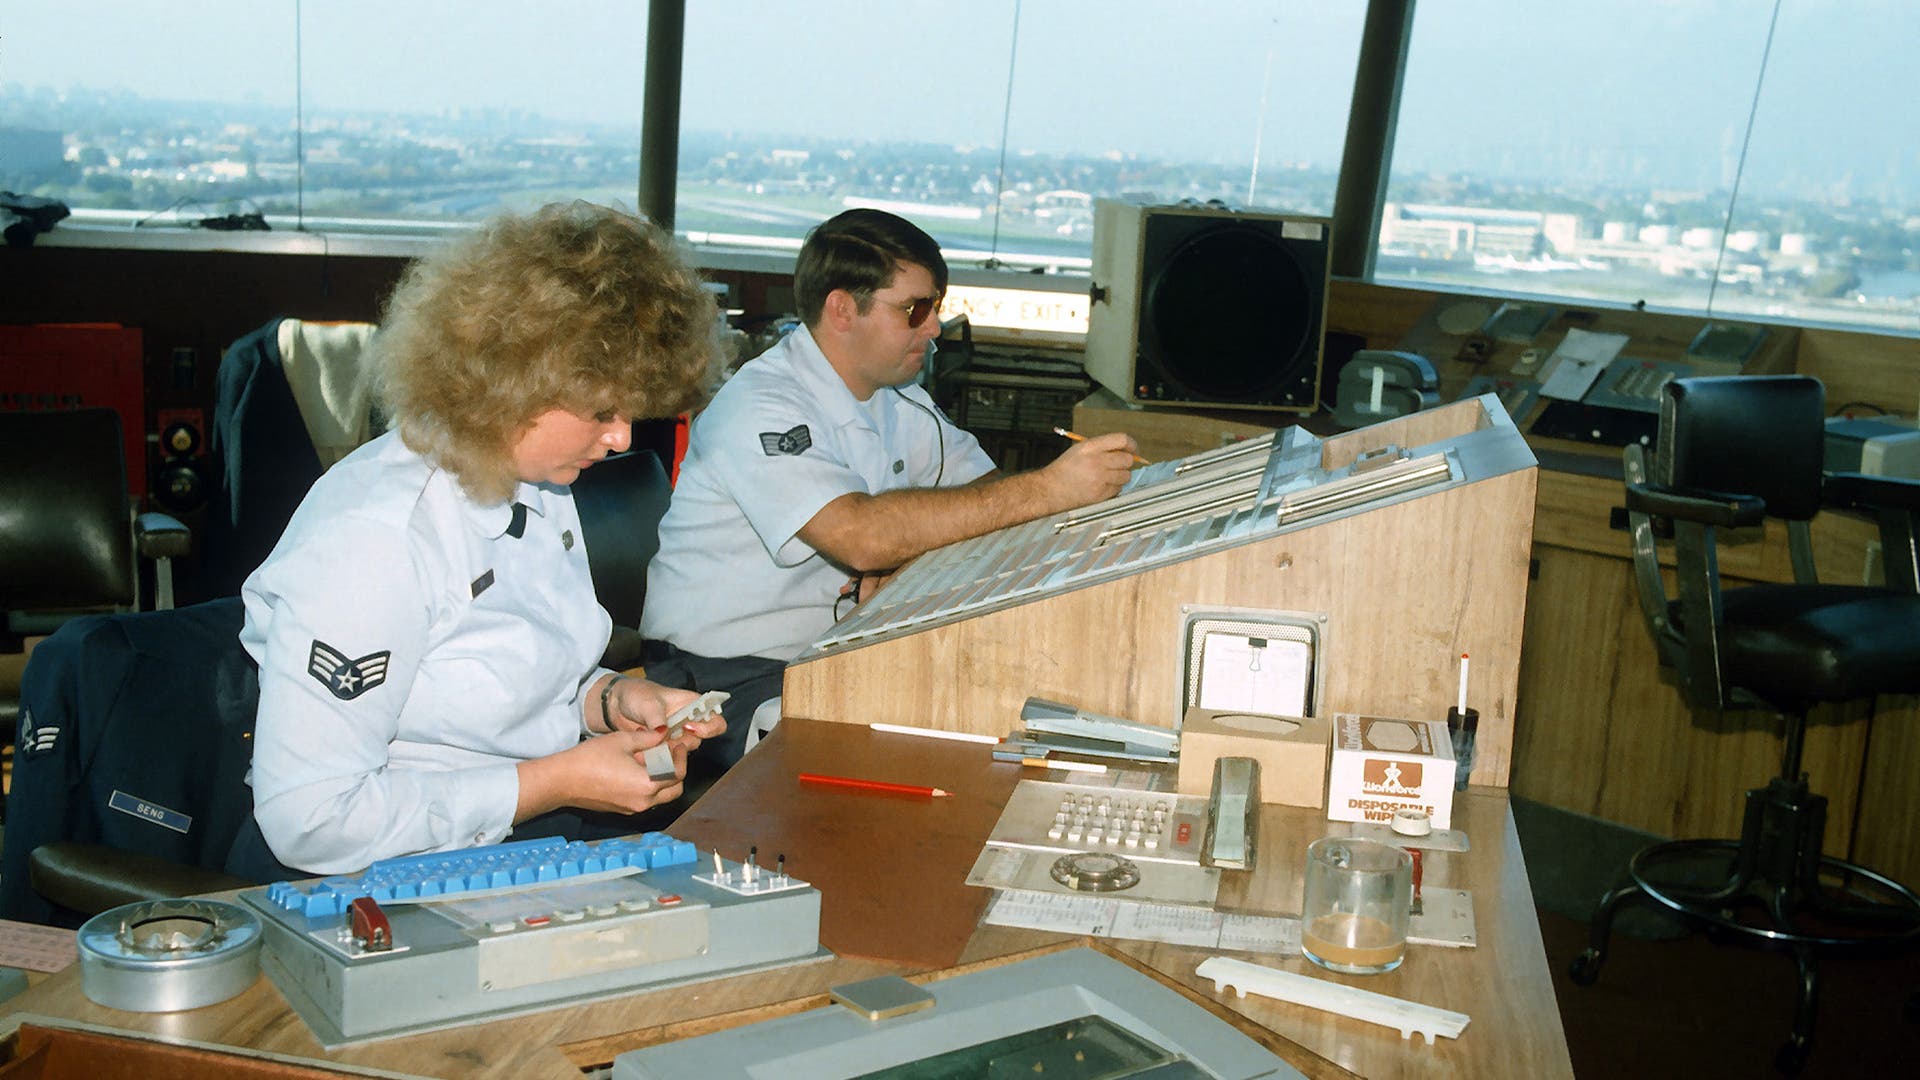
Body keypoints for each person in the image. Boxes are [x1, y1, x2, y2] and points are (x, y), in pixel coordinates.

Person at [238, 202, 726, 876]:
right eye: (603, 411)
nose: (620, 439)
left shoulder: (537, 482)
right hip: (376, 871)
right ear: (514, 381)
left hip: (522, 832)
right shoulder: (376, 542)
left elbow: (500, 677)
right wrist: (553, 782)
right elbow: (313, 821)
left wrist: (610, 701)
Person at [641, 208, 1139, 767]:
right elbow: (859, 535)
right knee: (904, 753)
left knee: (997, 716)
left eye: (936, 308)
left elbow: (988, 504)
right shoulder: (762, 407)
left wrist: (908, 561)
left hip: (834, 652)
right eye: (915, 309)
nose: (932, 329)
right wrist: (1051, 488)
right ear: (842, 309)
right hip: (723, 671)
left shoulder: (900, 400)